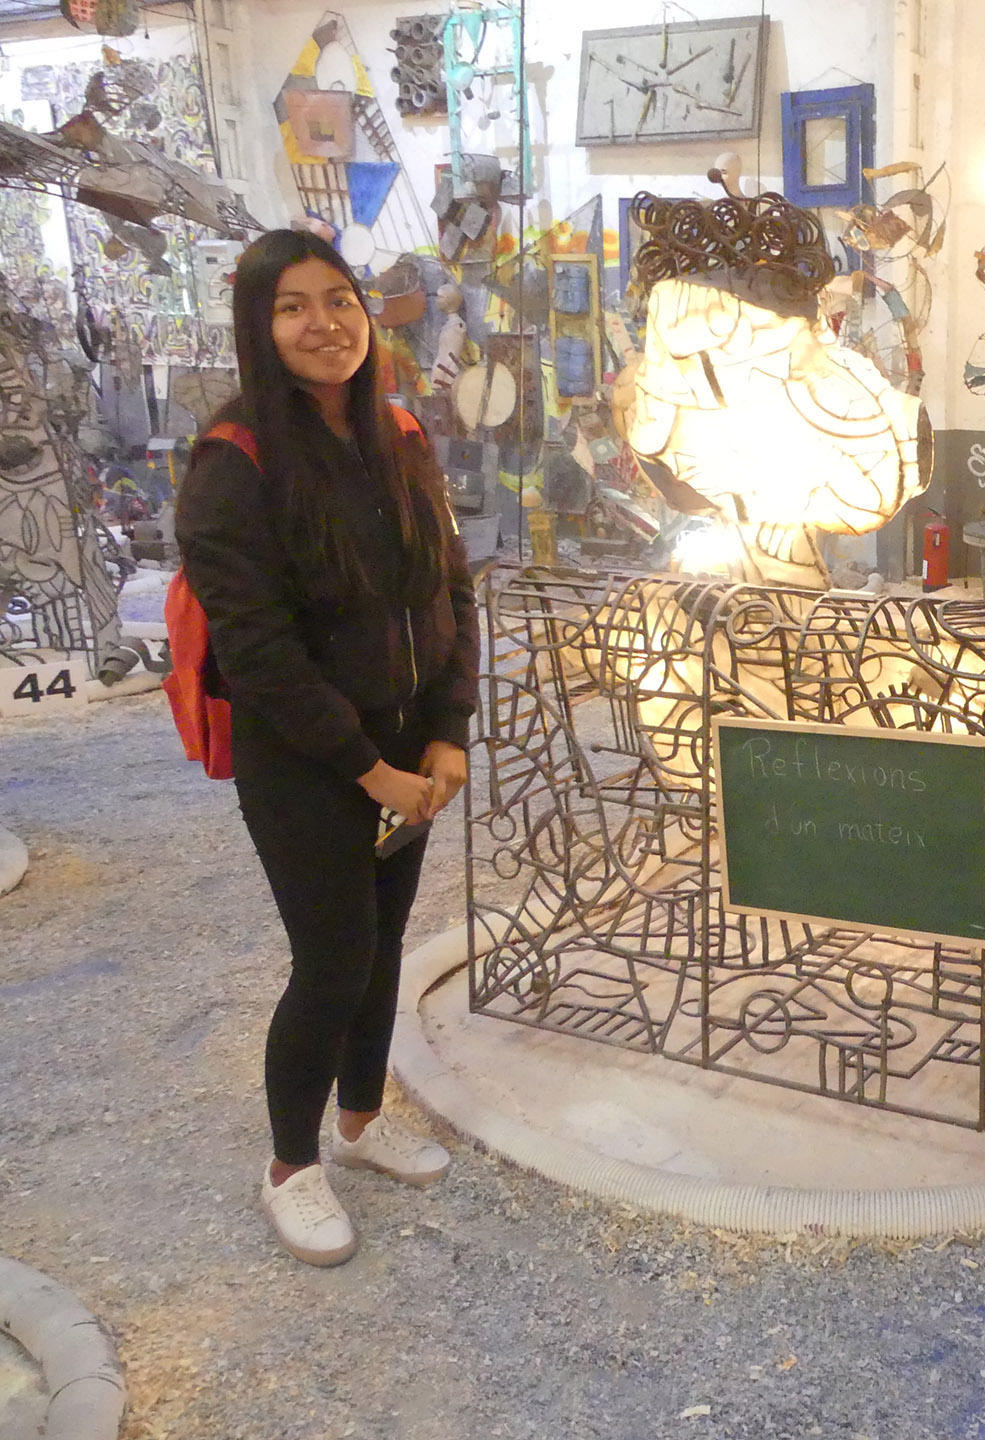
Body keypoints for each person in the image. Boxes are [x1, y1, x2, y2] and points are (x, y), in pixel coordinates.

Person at [175, 230, 478, 1267]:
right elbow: (258, 652)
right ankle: (290, 1166)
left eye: (338, 300)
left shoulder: (400, 433)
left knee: (384, 945)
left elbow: (451, 590)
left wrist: (447, 731)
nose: (324, 324)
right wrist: (369, 767)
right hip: (307, 764)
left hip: (408, 750)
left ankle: (360, 1119)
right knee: (334, 959)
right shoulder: (235, 462)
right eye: (293, 307)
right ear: (260, 327)